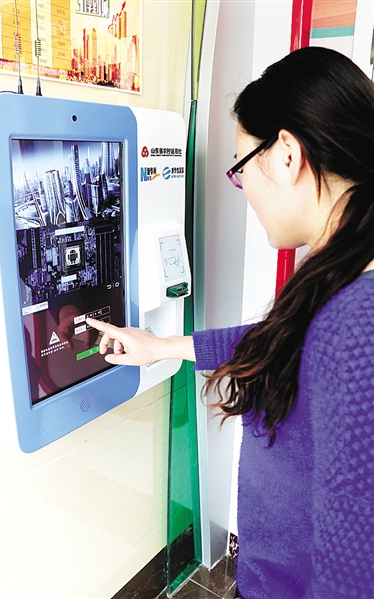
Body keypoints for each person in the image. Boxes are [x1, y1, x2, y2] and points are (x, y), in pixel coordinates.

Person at [87, 47, 374, 598]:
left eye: (242, 167)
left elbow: (354, 570)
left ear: (286, 154)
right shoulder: (343, 268)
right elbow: (282, 341)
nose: (243, 190)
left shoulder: (357, 324)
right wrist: (161, 346)